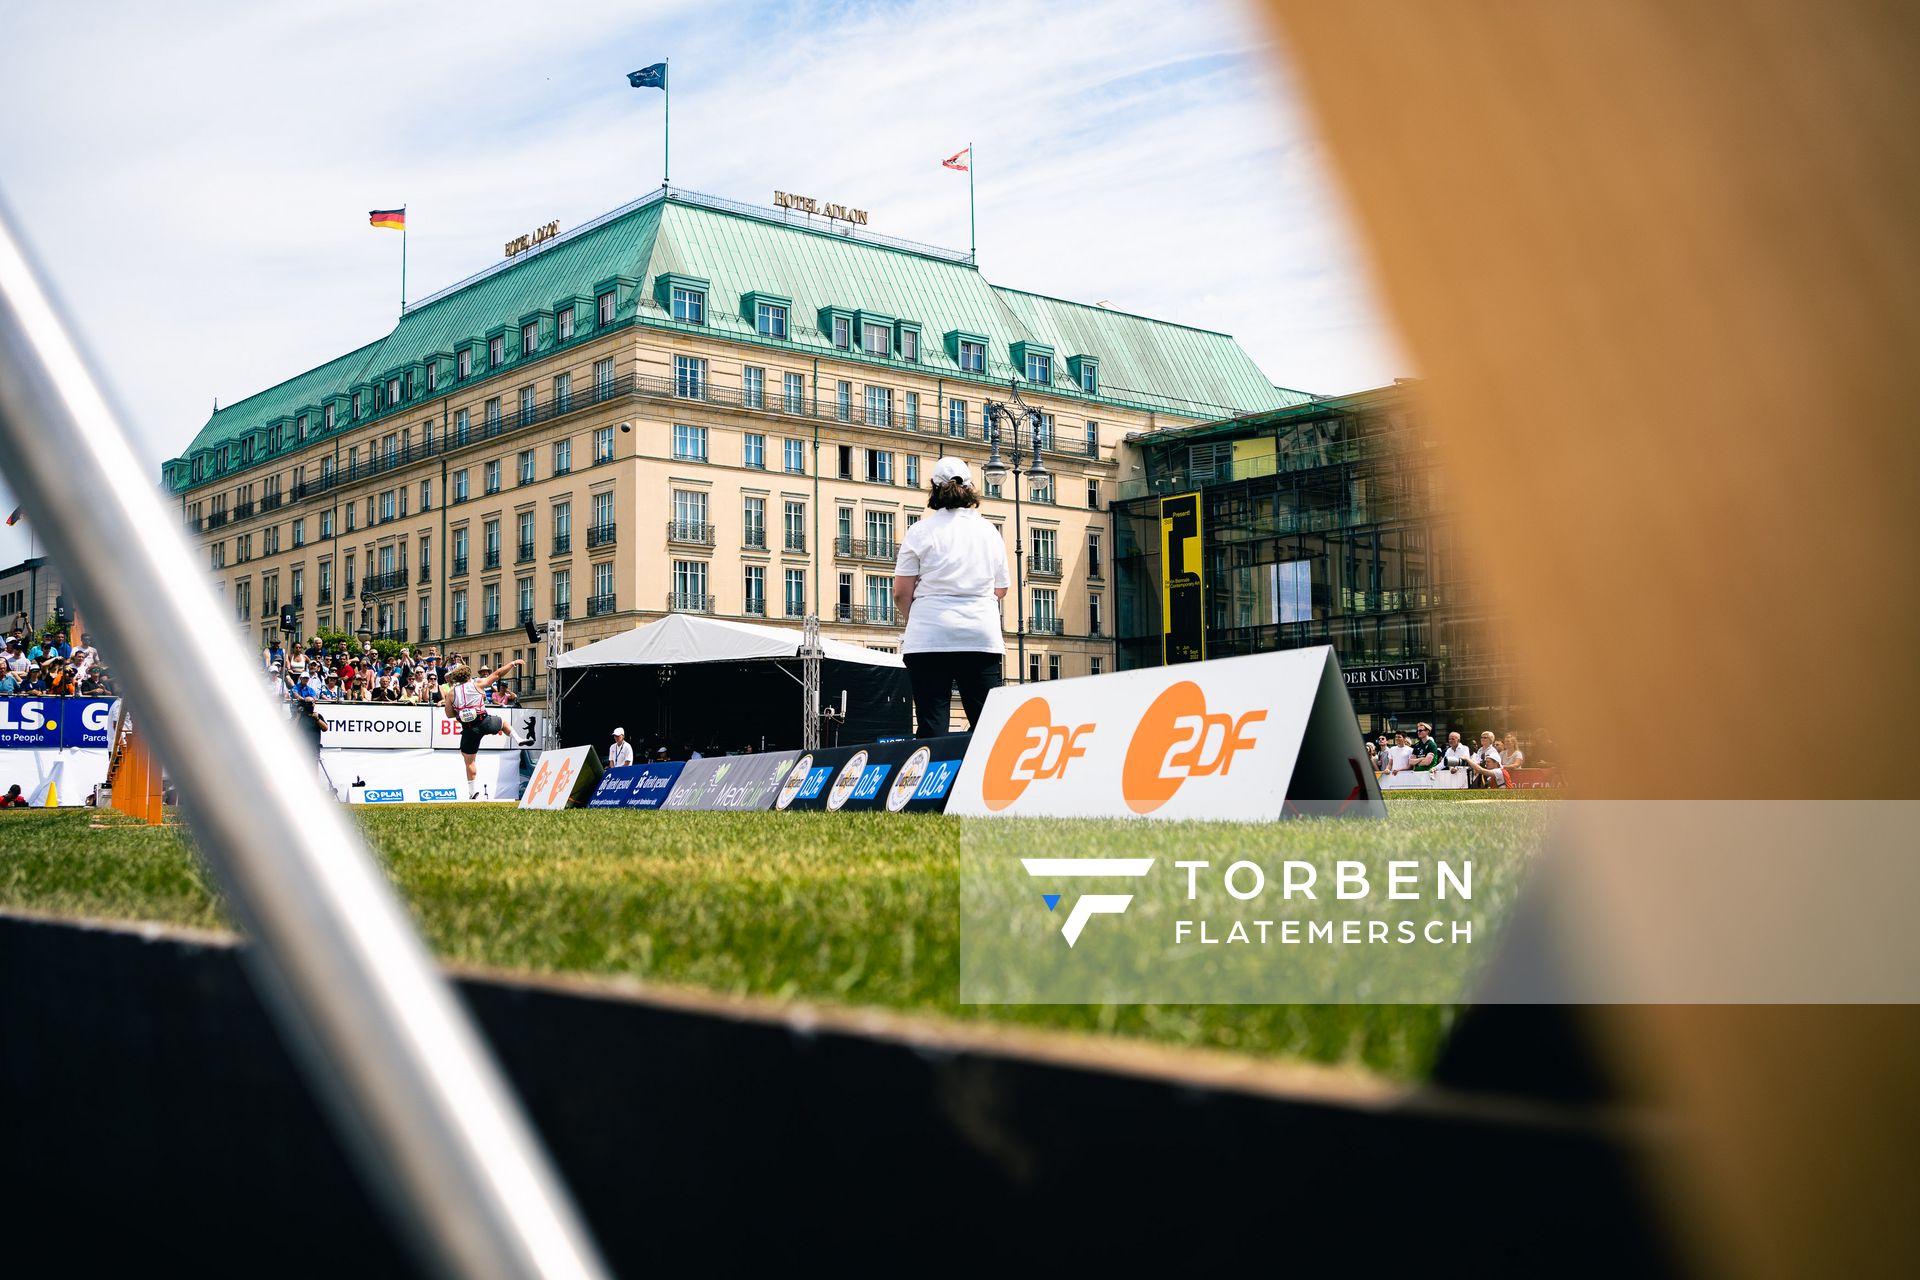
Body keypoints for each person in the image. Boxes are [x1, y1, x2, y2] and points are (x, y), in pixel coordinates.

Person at [891, 457, 1010, 737]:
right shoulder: (989, 532)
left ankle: (937, 779)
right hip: (980, 635)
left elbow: (900, 592)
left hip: (929, 636)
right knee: (987, 726)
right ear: (970, 488)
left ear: (933, 488)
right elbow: (1001, 588)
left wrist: (918, 614)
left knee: (932, 724)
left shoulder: (920, 531)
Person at [443, 657, 522, 798]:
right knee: (503, 723)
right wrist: (512, 663)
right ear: (468, 675)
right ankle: (518, 738)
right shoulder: (477, 683)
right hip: (484, 720)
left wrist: (461, 711)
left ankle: (473, 792)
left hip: (469, 728)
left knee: (469, 761)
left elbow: (449, 714)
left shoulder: (451, 693)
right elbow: (497, 674)